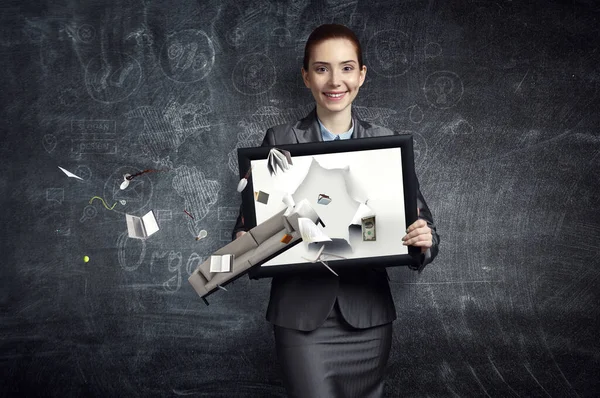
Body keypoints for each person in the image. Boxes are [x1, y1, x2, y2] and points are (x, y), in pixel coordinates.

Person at [232, 24, 440, 398]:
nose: (335, 80)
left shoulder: (384, 143)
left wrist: (424, 240)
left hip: (368, 318)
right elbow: (247, 228)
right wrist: (244, 243)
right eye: (322, 68)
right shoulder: (280, 140)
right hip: (301, 317)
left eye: (346, 68)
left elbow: (424, 227)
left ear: (361, 75)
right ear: (306, 76)